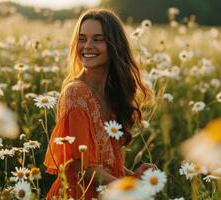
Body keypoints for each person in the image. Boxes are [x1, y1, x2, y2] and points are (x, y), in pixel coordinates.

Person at [44, 8, 157, 200]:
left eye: (98, 39)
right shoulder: (75, 92)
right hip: (77, 193)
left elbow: (106, 162)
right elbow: (82, 166)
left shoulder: (112, 93)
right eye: (82, 38)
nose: (87, 46)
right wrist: (127, 186)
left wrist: (133, 176)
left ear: (115, 45)